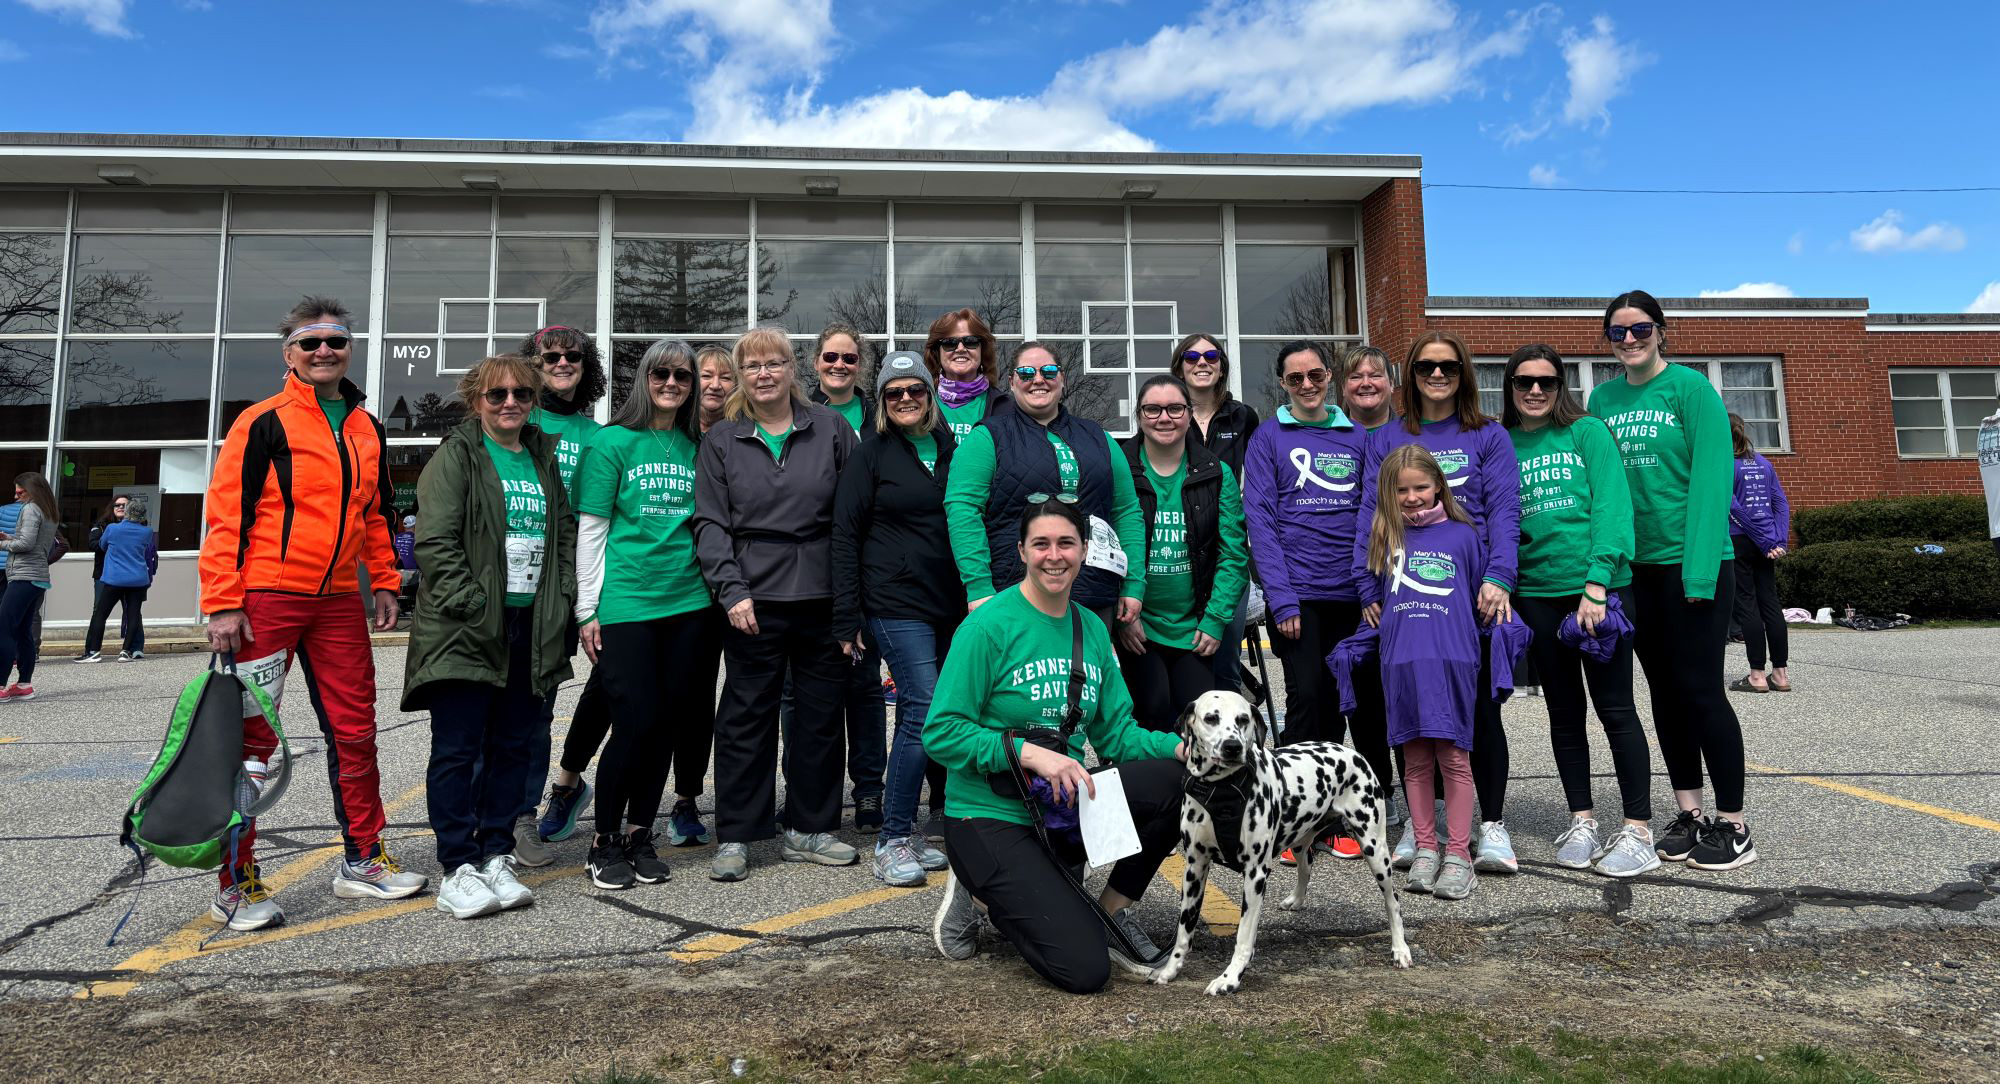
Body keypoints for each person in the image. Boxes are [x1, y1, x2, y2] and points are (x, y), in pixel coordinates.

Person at [198, 296, 425, 932]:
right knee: (252, 741)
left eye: (336, 340)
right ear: (288, 353)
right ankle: (234, 883)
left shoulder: (366, 426)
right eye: (310, 342)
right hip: (266, 599)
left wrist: (383, 581)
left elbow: (375, 515)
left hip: (336, 606)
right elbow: (226, 515)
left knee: (356, 731)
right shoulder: (261, 422)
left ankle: (363, 860)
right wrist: (221, 599)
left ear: (349, 349)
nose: (324, 350)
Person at [926, 497, 1189, 994]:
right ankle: (978, 891)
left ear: (1084, 551)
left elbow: (1118, 736)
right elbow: (941, 732)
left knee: (1182, 780)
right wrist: (1030, 752)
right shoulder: (987, 626)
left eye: (1066, 543)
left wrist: (1179, 748)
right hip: (989, 812)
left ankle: (1111, 910)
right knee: (1085, 970)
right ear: (1021, 550)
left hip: (1059, 809)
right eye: (1041, 544)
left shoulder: (1091, 627)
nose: (1054, 555)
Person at [1588, 289, 1756, 871]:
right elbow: (1604, 489)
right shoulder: (1602, 398)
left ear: (1660, 330)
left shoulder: (1692, 390)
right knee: (1662, 694)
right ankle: (1689, 813)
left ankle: (1734, 825)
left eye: (1639, 329)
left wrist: (1700, 572)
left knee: (1701, 690)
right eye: (1617, 332)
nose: (1629, 340)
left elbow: (1712, 483)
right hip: (1638, 572)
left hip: (1696, 565)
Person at [404, 356, 574, 919]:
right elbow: (434, 542)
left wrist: (564, 602)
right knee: (457, 750)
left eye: (522, 394)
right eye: (497, 394)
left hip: (532, 626)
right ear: (476, 399)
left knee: (512, 746)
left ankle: (497, 853)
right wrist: (474, 605)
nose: (510, 403)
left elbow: (564, 537)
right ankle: (458, 865)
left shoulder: (542, 457)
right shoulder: (457, 457)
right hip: (469, 627)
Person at [693, 326, 860, 882]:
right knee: (745, 719)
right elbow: (711, 523)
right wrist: (730, 589)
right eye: (752, 366)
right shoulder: (722, 439)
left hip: (822, 596)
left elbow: (854, 518)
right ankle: (738, 834)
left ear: (794, 369)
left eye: (774, 363)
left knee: (817, 718)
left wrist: (849, 601)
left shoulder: (832, 429)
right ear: (741, 376)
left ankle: (810, 829)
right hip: (752, 600)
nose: (764, 374)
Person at [1357, 331, 1522, 874]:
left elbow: (1504, 511)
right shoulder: (1388, 436)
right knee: (1412, 720)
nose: (1436, 375)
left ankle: (1489, 827)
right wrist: (1367, 588)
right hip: (1409, 597)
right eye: (1426, 366)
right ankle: (1420, 829)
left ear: (1463, 373)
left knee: (1477, 715)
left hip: (1474, 588)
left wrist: (1498, 576)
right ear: (1411, 373)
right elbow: (1369, 515)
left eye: (1447, 366)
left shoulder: (1488, 436)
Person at [1503, 344, 1656, 878]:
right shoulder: (1504, 442)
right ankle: (1582, 819)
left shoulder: (1587, 432)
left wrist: (1595, 583)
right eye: (1525, 382)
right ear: (1511, 387)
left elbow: (1613, 507)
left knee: (1615, 709)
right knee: (1564, 712)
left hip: (1598, 592)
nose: (1536, 391)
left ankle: (1638, 828)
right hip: (1537, 593)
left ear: (1561, 385)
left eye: (1547, 381)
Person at [570, 340, 719, 889]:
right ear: (644, 378)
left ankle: (638, 834)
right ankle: (602, 840)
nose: (672, 382)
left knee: (666, 727)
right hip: (628, 604)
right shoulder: (613, 442)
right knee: (633, 723)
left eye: (683, 375)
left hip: (690, 606)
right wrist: (588, 610)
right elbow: (592, 531)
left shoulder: (696, 445)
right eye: (662, 372)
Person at [1241, 341, 1379, 860]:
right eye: (1295, 377)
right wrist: (1282, 599)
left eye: (1315, 375)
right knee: (1307, 701)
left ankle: (1334, 813)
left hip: (1354, 595)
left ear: (1329, 377)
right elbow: (1262, 521)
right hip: (1298, 595)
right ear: (1282, 382)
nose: (1306, 385)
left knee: (1349, 701)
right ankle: (1284, 818)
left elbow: (1371, 515)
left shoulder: (1357, 437)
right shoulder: (1268, 438)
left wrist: (1368, 585)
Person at [831, 351, 962, 886]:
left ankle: (929, 825)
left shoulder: (958, 450)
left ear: (931, 395)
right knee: (922, 708)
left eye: (915, 390)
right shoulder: (871, 455)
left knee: (951, 709)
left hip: (954, 604)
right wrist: (846, 615)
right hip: (893, 601)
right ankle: (894, 836)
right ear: (882, 402)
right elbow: (843, 533)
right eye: (893, 392)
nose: (906, 399)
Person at [943, 342, 1144, 629]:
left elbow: (1126, 511)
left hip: (1093, 598)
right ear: (1012, 383)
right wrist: (978, 587)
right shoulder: (987, 438)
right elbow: (963, 511)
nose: (1038, 379)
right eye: (1026, 373)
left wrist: (1133, 583)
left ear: (1063, 379)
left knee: (1088, 673)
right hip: (1015, 595)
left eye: (1048, 371)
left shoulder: (1100, 438)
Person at [1365, 446, 1484, 901]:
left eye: (1420, 487)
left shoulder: (1462, 536)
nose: (1412, 497)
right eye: (1401, 490)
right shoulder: (1385, 536)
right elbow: (1377, 596)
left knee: (1453, 759)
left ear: (1438, 485)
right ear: (1388, 495)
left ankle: (1458, 853)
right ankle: (1426, 847)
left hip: (1451, 660)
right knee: (1414, 761)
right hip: (1400, 662)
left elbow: (1474, 596)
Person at [516, 326, 610, 866]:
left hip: (564, 590)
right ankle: (493, 812)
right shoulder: (509, 419)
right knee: (492, 710)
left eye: (573, 356)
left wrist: (591, 600)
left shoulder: (595, 436)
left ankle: (525, 814)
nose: (561, 363)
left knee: (537, 712)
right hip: (509, 586)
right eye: (550, 356)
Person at [1116, 375, 1249, 731]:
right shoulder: (1118, 469)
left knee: (1197, 722)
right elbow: (1102, 547)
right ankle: (1149, 786)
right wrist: (1124, 618)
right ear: (1139, 415)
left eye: (1175, 408)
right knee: (1152, 709)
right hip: (1139, 625)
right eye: (1153, 409)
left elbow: (1233, 554)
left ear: (1189, 415)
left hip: (1194, 626)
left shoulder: (1215, 473)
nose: (1164, 417)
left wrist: (1215, 619)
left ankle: (1189, 789)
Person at [804, 323, 890, 831]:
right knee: (805, 693)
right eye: (831, 358)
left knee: (863, 686)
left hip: (867, 569)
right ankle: (812, 791)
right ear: (815, 363)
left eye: (850, 359)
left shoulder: (878, 419)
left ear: (861, 367)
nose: (839, 365)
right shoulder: (797, 414)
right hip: (810, 570)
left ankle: (870, 792)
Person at [1171, 334, 1258, 690]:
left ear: (1222, 366)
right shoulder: (1169, 414)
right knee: (1181, 657)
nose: (1201, 362)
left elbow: (1258, 479)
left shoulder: (1244, 418)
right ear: (1179, 366)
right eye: (1192, 356)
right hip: (1181, 551)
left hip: (1228, 553)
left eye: (1211, 355)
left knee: (1224, 663)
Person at [1728, 412, 1793, 694]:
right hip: (1767, 543)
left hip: (1742, 540)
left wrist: (1766, 542)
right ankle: (1780, 674)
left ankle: (1756, 675)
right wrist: (1778, 540)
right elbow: (1781, 504)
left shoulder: (1725, 465)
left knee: (1747, 605)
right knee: (1771, 604)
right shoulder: (1765, 463)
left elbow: (1734, 509)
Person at [0, 472, 57, 701]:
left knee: (4, 629)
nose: (16, 496)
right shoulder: (49, 510)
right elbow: (33, 540)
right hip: (38, 578)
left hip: (24, 576)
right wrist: (9, 536)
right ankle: (24, 684)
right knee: (23, 631)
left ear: (32, 490)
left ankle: (1, 686)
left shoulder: (31, 509)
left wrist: (3, 543)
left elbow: (26, 544)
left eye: (20, 491)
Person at [83, 496, 157, 663]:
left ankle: (94, 651)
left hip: (115, 579)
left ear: (127, 512)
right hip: (138, 580)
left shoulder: (112, 529)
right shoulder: (147, 532)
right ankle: (126, 651)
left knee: (101, 614)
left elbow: (102, 545)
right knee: (133, 615)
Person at [925, 309, 1010, 440]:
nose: (960, 349)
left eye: (971, 341)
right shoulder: (921, 404)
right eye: (950, 343)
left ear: (983, 350)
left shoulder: (1007, 408)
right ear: (937, 352)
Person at [1339, 345, 1398, 433]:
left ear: (1391, 384)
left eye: (1375, 376)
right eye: (1356, 377)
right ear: (1343, 387)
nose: (1366, 383)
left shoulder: (1413, 438)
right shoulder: (1329, 441)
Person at [695, 344, 735, 434]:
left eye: (725, 378)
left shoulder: (745, 432)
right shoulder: (674, 427)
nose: (715, 385)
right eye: (706, 376)